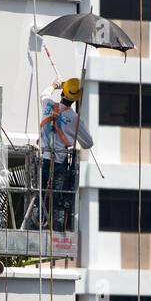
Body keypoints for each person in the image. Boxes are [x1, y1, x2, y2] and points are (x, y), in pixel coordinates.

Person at [29, 77, 92, 230]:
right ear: (76, 98)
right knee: (57, 198)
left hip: (43, 158)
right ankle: (56, 228)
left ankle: (35, 223)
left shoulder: (48, 105)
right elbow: (88, 143)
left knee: (40, 194)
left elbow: (44, 94)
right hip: (59, 162)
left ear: (63, 91)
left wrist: (55, 84)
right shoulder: (75, 119)